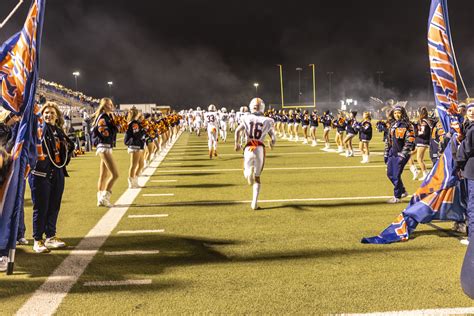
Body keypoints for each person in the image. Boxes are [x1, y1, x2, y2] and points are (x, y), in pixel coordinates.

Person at [28, 102, 74, 253]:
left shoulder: (59, 130)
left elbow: (68, 147)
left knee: (54, 206)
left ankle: (50, 236)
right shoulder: (39, 129)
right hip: (41, 174)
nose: (48, 115)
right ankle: (37, 240)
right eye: (46, 112)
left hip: (57, 172)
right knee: (41, 208)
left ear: (57, 116)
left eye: (52, 113)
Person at [234, 98, 276, 210]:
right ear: (262, 107)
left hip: (249, 147)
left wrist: (237, 143)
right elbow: (273, 137)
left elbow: (237, 131)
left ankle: (248, 174)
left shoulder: (246, 117)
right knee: (257, 178)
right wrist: (272, 143)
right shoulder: (268, 120)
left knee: (245, 169)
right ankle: (254, 203)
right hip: (259, 148)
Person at [91, 98, 119, 207]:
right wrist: (116, 127)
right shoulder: (103, 118)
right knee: (115, 175)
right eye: (108, 105)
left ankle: (100, 199)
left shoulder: (107, 117)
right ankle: (104, 198)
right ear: (104, 106)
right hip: (104, 146)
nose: (111, 106)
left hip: (106, 146)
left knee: (103, 175)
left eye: (111, 104)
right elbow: (105, 133)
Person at [384, 105, 415, 203]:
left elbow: (410, 140)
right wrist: (386, 153)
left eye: (399, 113)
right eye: (395, 113)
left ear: (403, 113)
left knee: (396, 175)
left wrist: (403, 154)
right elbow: (388, 140)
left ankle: (397, 196)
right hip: (391, 153)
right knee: (390, 174)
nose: (397, 115)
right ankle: (403, 191)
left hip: (401, 153)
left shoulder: (408, 125)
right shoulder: (393, 124)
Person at [456, 102, 474, 245]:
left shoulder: (472, 129)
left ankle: (472, 237)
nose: (472, 113)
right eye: (470, 110)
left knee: (472, 204)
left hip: (471, 169)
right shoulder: (468, 127)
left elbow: (466, 150)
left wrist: (458, 164)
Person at [124, 107, 145, 188]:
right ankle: (131, 183)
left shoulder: (134, 122)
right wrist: (144, 130)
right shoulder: (134, 123)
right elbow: (137, 134)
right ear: (136, 114)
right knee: (134, 165)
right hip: (134, 145)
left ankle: (135, 180)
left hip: (137, 144)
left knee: (141, 164)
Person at [414, 107, 431, 181]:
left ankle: (425, 174)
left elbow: (423, 133)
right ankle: (414, 169)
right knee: (410, 154)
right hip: (420, 141)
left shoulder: (423, 122)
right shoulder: (424, 120)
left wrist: (417, 134)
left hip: (422, 141)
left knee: (419, 159)